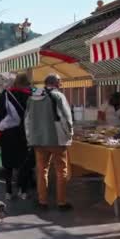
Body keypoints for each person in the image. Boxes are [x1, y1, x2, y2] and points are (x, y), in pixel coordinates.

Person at [25, 73, 73, 211]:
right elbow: (66, 118)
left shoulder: (33, 97)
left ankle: (42, 201)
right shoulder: (58, 96)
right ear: (56, 82)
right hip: (56, 139)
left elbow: (27, 120)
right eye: (60, 81)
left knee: (41, 171)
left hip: (38, 140)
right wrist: (69, 134)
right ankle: (61, 202)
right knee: (61, 171)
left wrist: (30, 137)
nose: (61, 83)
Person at [0, 73, 33, 200]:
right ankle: (23, 191)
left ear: (15, 83)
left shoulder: (4, 96)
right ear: (27, 84)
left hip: (7, 135)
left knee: (8, 165)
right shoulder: (31, 97)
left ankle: (8, 192)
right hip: (24, 135)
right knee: (24, 165)